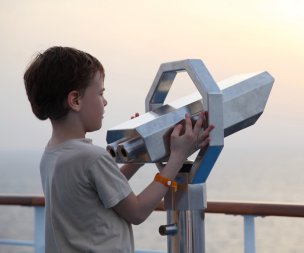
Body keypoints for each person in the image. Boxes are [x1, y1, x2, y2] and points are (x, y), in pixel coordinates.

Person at [23, 46, 214, 253]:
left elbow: (107, 192)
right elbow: (137, 211)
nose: (105, 102)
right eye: (100, 93)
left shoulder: (52, 154)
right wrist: (177, 157)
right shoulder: (92, 158)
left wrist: (139, 155)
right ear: (75, 100)